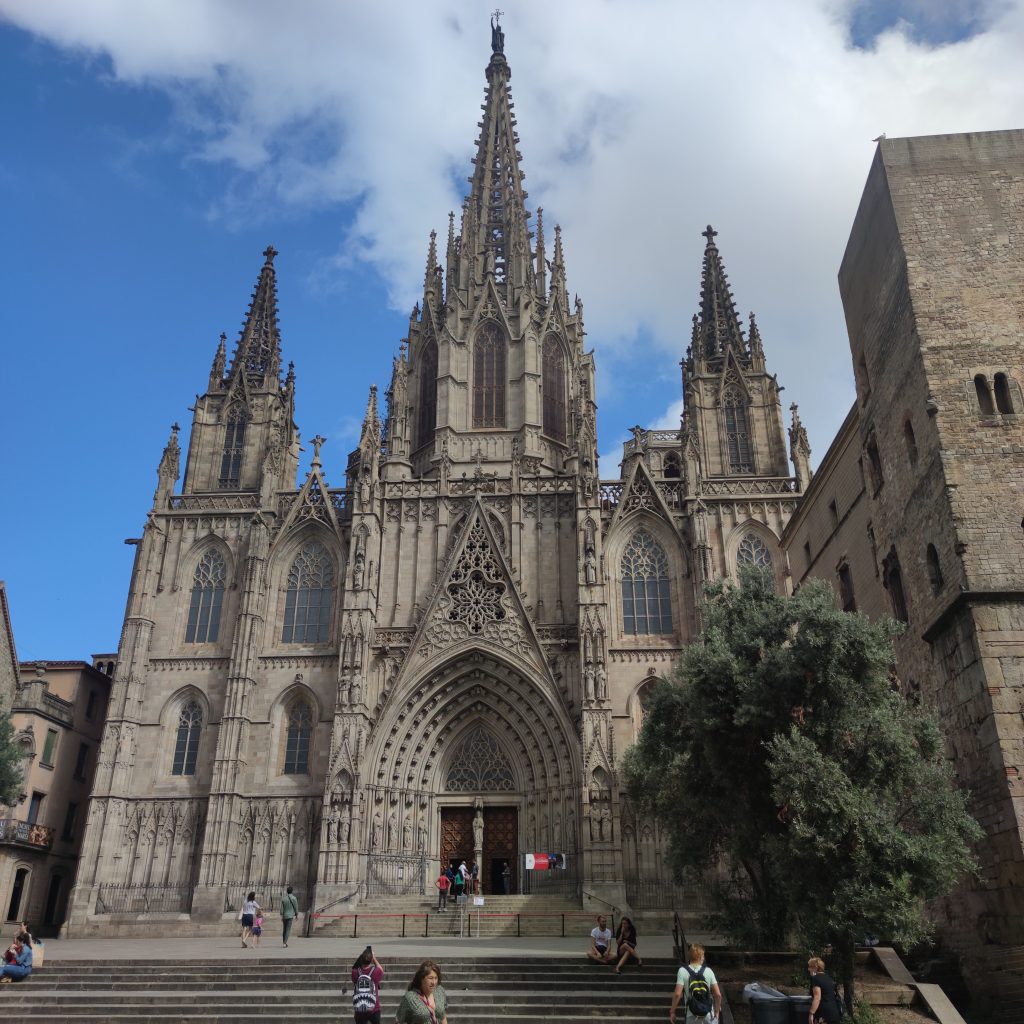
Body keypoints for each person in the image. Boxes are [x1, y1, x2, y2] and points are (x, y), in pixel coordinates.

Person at [670, 943, 722, 1024]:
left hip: (691, 1014)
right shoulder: (709, 971)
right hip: (708, 1014)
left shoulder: (682, 971)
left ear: (689, 956)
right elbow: (718, 995)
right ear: (701, 956)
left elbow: (677, 994)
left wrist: (672, 1011)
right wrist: (717, 1012)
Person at [395, 958, 449, 1024]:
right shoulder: (410, 997)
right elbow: (400, 1020)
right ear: (422, 979)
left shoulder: (440, 991)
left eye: (436, 978)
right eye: (430, 978)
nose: (434, 982)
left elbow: (443, 1016)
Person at [351, 945, 385, 1024]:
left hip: (359, 1008)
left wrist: (360, 958)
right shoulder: (376, 972)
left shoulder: (355, 972)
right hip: (374, 1008)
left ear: (361, 959)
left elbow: (354, 968)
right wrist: (374, 959)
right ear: (371, 959)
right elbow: (381, 969)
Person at [808, 956, 843, 1024]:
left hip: (824, 1014)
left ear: (815, 967)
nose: (808, 969)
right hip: (835, 1012)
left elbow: (817, 997)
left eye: (810, 967)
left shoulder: (816, 979)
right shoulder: (829, 978)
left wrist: (811, 1013)